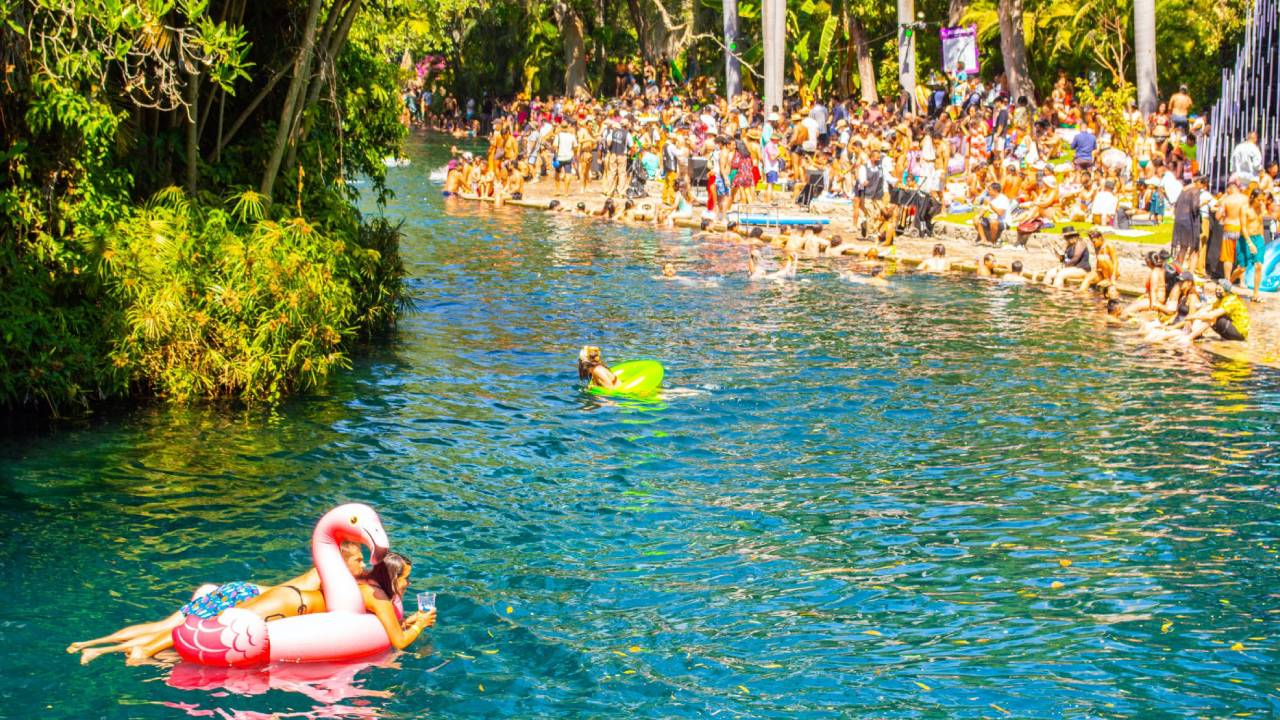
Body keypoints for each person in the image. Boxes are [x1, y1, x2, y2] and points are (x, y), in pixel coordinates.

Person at [71, 542, 368, 664]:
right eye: (358, 560)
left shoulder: (323, 572)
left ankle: (91, 644)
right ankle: (102, 650)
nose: (363, 565)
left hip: (239, 590)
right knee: (169, 633)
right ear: (341, 561)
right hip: (245, 597)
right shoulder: (330, 576)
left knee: (165, 626)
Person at [358, 552, 435, 651]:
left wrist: (410, 620)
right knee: (426, 649)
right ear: (392, 578)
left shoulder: (372, 583)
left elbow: (388, 625)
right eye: (406, 578)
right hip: (370, 657)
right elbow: (400, 642)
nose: (409, 583)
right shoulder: (379, 599)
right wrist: (421, 623)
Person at [1184, 279, 1250, 342]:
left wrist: (1192, 317)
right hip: (1231, 328)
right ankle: (1193, 333)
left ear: (1226, 291)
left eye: (1220, 290)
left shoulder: (1231, 300)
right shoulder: (1221, 299)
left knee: (1212, 317)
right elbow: (1205, 309)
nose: (1217, 291)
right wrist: (1190, 317)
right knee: (1204, 313)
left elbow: (1211, 316)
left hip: (1239, 333)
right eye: (1217, 289)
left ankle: (1189, 338)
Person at [1217, 180, 1248, 284]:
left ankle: (1227, 280)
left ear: (1230, 189)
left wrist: (1225, 214)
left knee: (1228, 257)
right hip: (1241, 229)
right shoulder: (1245, 199)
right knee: (1242, 257)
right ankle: (1242, 282)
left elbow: (1217, 216)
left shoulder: (1226, 200)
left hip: (1229, 228)